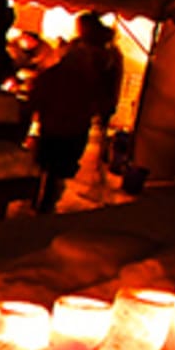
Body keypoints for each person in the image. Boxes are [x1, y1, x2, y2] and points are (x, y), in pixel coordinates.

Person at [27, 28, 114, 214]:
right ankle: (48, 203)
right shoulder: (88, 81)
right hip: (74, 131)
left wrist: (34, 114)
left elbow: (35, 98)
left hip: (52, 128)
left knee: (45, 166)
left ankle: (37, 199)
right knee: (59, 169)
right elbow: (99, 103)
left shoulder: (51, 76)